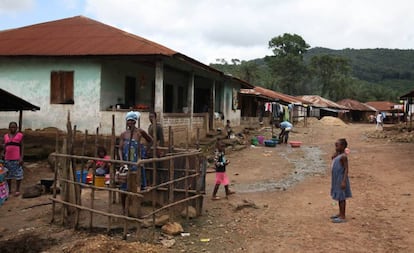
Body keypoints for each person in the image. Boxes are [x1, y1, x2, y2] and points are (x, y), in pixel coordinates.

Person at [118, 111, 152, 212]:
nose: (130, 123)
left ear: (135, 122)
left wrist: (145, 152)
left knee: (137, 187)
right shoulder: (124, 134)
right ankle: (124, 209)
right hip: (126, 164)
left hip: (136, 164)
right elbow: (119, 149)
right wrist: (121, 162)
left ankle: (136, 208)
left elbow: (150, 140)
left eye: (132, 121)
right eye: (129, 121)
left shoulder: (139, 132)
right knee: (123, 188)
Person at [330, 138, 352, 223]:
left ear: (343, 146)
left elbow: (346, 169)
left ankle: (343, 216)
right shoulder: (339, 155)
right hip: (336, 178)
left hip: (341, 179)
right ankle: (340, 213)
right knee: (339, 197)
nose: (335, 147)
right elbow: (332, 158)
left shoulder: (343, 157)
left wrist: (343, 181)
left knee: (342, 197)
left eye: (337, 146)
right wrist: (336, 153)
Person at [3, 122, 24, 197]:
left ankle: (17, 190)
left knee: (18, 174)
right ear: (9, 128)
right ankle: (9, 189)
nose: (13, 129)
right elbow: (5, 146)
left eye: (14, 127)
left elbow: (22, 147)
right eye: (11, 127)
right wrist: (3, 154)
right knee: (8, 175)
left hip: (17, 158)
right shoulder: (5, 136)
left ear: (17, 128)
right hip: (7, 158)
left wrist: (21, 157)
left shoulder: (20, 135)